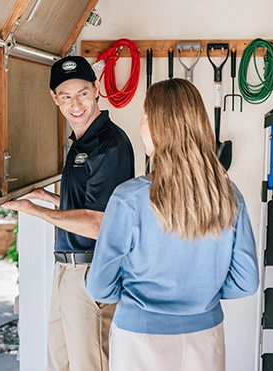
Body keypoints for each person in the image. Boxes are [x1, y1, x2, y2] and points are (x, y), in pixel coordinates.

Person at [85, 78, 259, 371]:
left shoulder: (129, 199)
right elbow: (246, 281)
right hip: (205, 335)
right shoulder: (227, 194)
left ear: (158, 126)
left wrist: (133, 299)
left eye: (144, 115)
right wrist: (203, 298)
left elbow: (100, 287)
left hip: (139, 338)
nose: (141, 124)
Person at [4, 55, 135, 371]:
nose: (76, 104)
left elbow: (99, 223)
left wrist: (35, 210)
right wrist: (48, 196)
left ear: (96, 90)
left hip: (92, 274)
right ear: (55, 98)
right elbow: (88, 201)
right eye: (66, 96)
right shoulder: (80, 143)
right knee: (59, 364)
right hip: (66, 270)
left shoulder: (110, 146)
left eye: (83, 93)